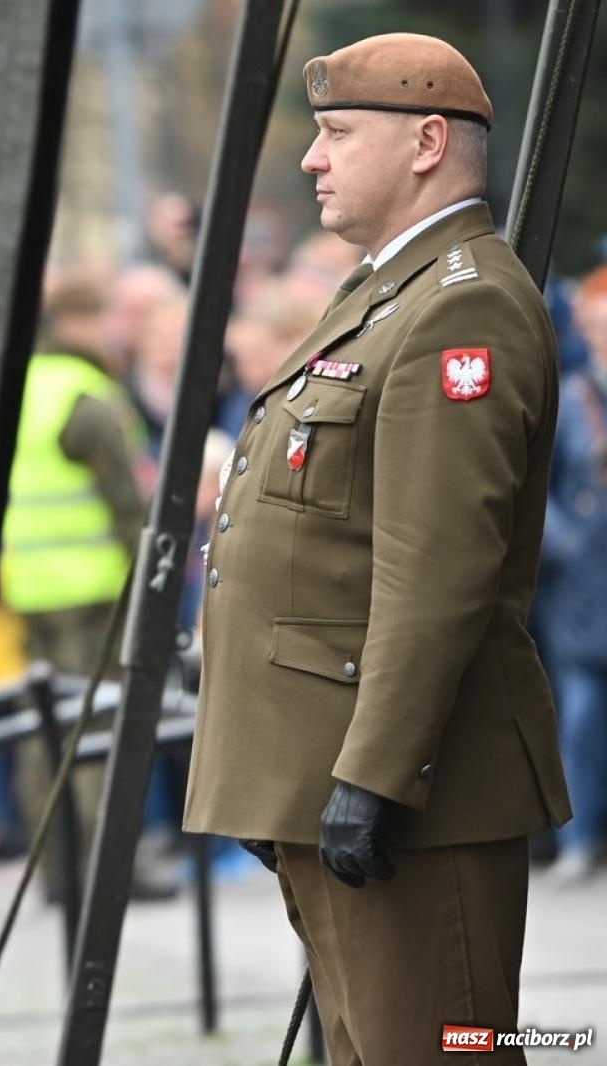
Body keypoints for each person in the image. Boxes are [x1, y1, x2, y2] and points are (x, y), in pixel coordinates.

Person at [184, 35, 572, 1064]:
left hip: (410, 795)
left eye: (336, 133)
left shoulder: (463, 305)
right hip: (337, 774)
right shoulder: (387, 294)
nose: (312, 159)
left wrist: (375, 777)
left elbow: (435, 572)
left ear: (426, 142)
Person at [1, 273, 148, 898]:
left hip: (32, 588)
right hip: (95, 593)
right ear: (79, 324)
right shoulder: (87, 397)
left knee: (42, 732)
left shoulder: (21, 388)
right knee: (98, 730)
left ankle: (57, 871)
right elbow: (130, 508)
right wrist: (152, 586)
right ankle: (104, 873)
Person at [536, 264, 607, 884]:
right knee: (580, 714)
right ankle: (579, 837)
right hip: (582, 587)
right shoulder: (569, 400)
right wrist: (565, 544)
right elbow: (537, 490)